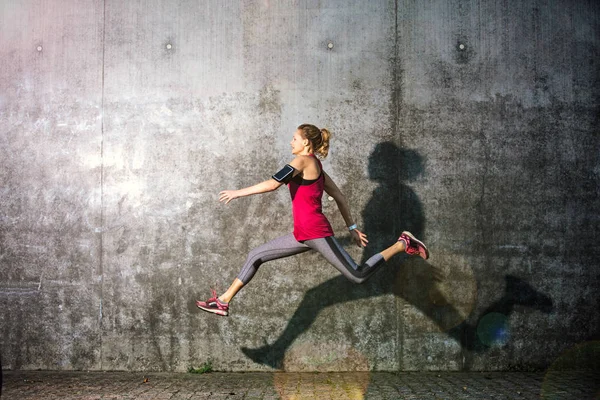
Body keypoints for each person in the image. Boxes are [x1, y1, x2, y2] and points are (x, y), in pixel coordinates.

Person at [196, 124, 429, 317]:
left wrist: (238, 193)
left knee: (357, 275)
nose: (291, 142)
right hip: (302, 234)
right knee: (256, 255)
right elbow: (338, 195)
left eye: (295, 138)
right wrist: (353, 228)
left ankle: (402, 244)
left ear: (306, 143)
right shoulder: (316, 165)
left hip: (315, 232)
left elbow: (273, 184)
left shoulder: (303, 162)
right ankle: (224, 301)